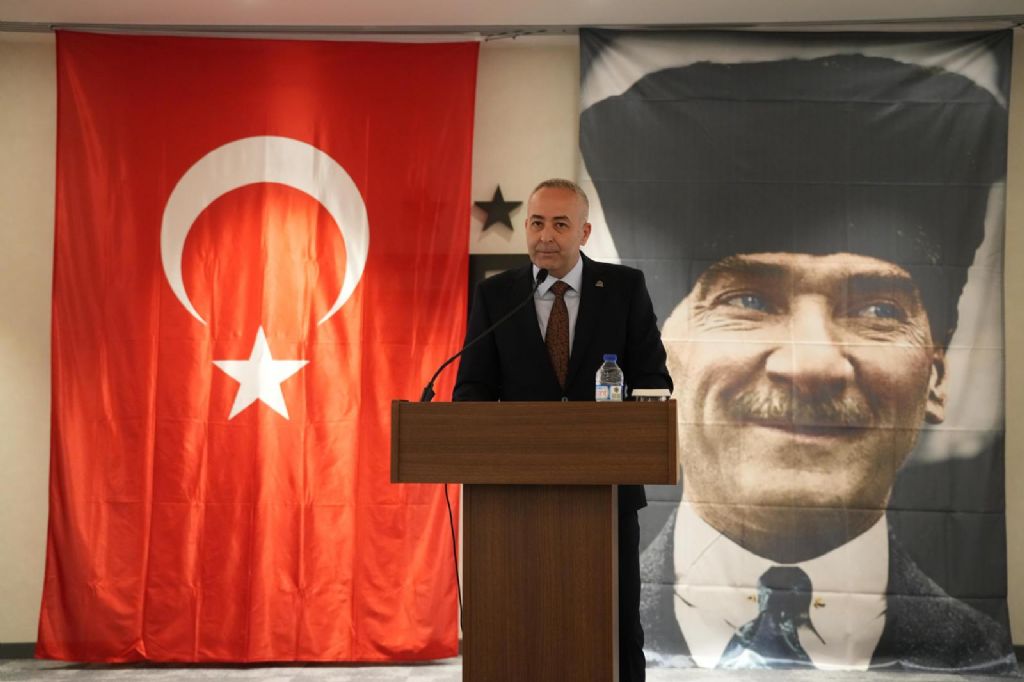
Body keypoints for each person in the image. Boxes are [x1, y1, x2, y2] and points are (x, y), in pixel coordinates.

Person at [579, 48, 1016, 672]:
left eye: (878, 311)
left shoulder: (973, 659)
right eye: (748, 300)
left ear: (937, 379)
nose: (812, 366)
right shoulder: (591, 633)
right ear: (666, 363)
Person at [453, 178, 673, 682]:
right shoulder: (497, 295)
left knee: (616, 626)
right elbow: (472, 390)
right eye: (536, 223)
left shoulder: (623, 289)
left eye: (559, 224)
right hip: (514, 498)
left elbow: (654, 378)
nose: (545, 235)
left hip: (607, 492)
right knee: (518, 624)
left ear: (584, 232)